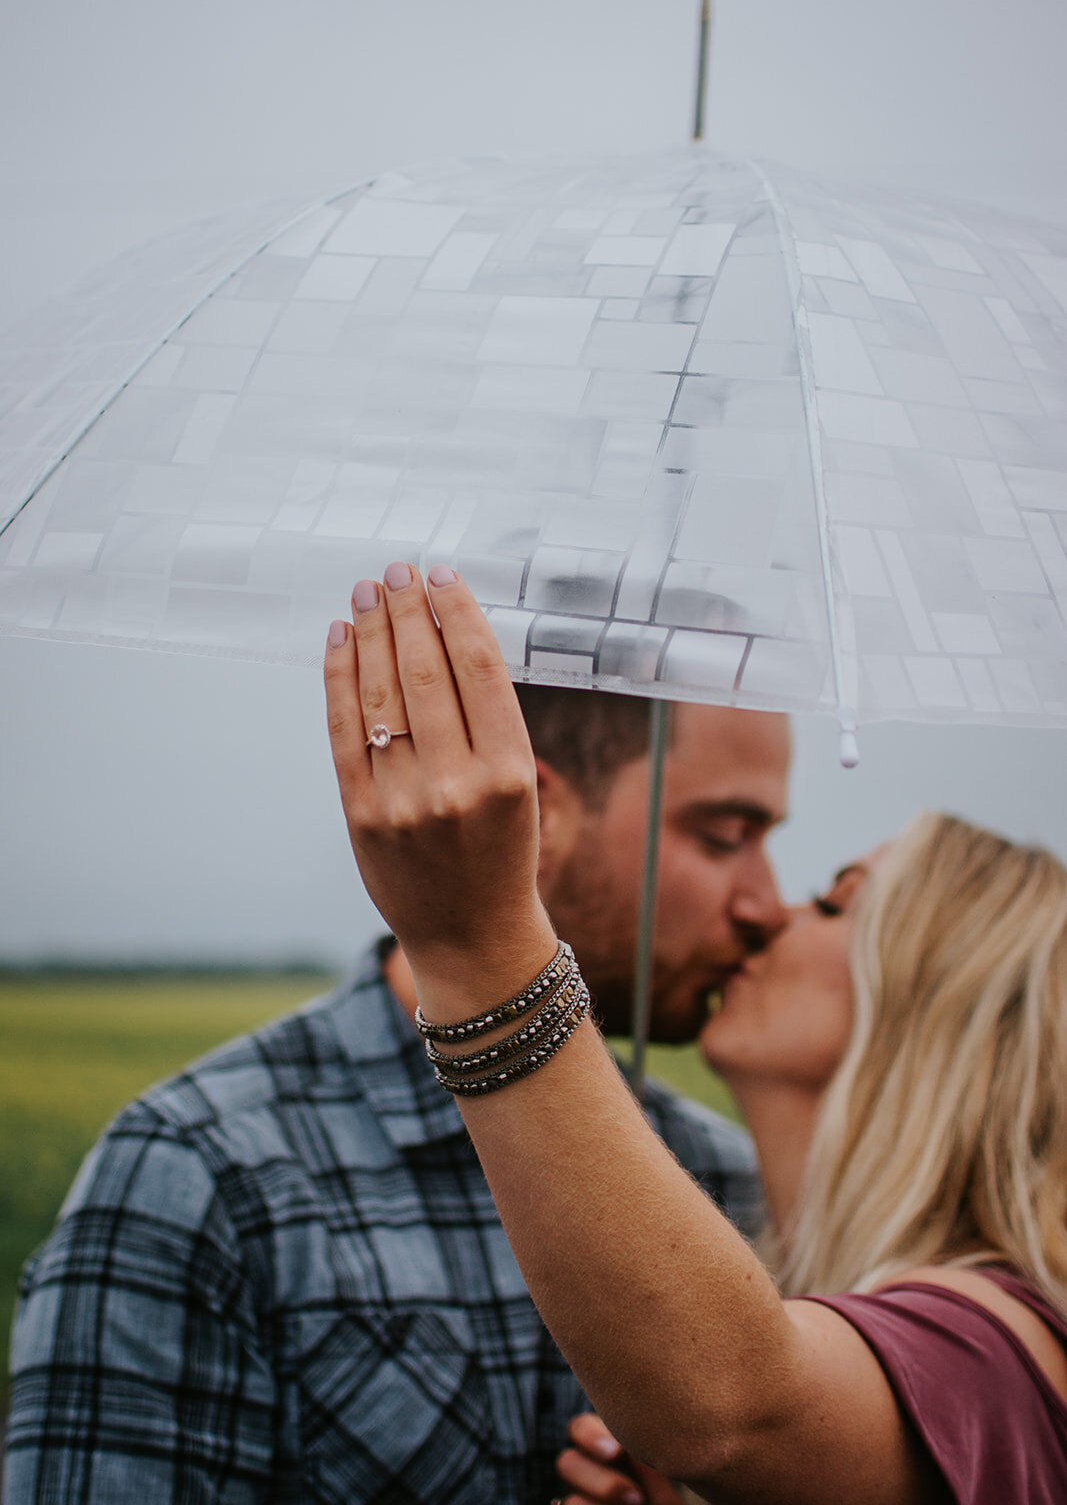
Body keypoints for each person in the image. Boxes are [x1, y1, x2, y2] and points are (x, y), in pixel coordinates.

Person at [4, 569, 789, 1505]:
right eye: (723, 835)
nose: (766, 905)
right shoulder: (204, 1173)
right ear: (524, 815)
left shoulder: (727, 1179)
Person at [321, 562, 1067, 1505]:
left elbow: (730, 1411)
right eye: (724, 837)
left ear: (942, 1008)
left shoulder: (995, 1343)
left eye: (834, 904)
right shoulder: (785, 1254)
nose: (768, 911)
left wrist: (476, 942)